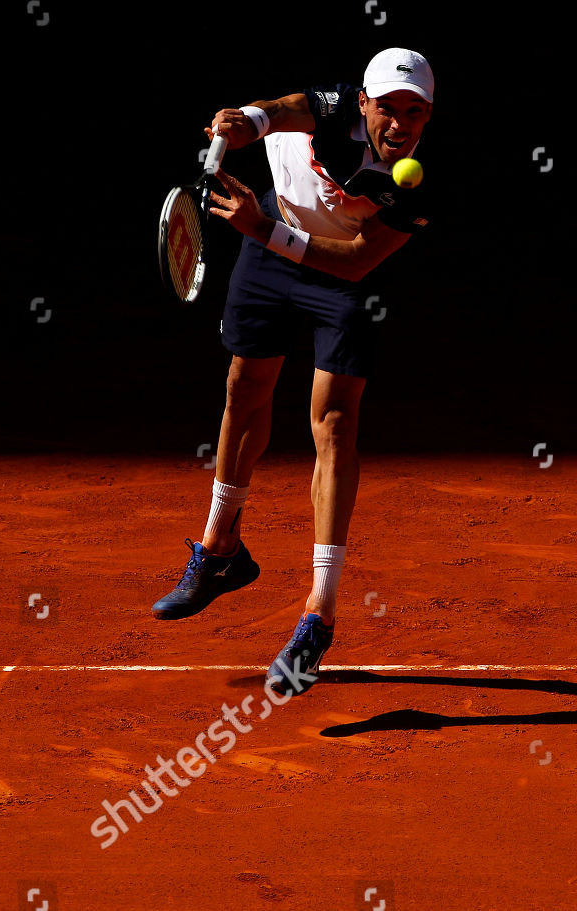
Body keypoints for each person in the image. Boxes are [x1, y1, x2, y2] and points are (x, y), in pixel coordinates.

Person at [149, 48, 435, 696]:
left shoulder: (419, 181)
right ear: (364, 104)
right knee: (244, 388)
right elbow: (278, 111)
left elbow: (360, 262)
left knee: (333, 423)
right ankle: (221, 550)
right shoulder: (334, 104)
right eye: (388, 109)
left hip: (336, 274)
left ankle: (318, 613)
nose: (400, 124)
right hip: (272, 244)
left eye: (415, 112)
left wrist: (258, 228)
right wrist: (243, 122)